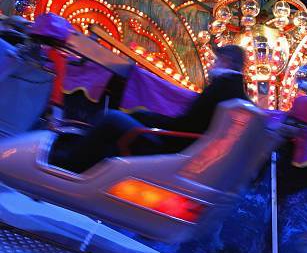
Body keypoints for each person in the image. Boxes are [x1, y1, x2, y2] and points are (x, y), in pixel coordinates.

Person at [58, 45, 248, 173]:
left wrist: (151, 119)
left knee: (112, 119)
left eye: (216, 60)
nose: (212, 64)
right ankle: (92, 165)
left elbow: (188, 125)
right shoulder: (236, 91)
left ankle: (72, 164)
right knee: (133, 118)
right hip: (187, 145)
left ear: (226, 61)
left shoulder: (220, 87)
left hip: (174, 146)